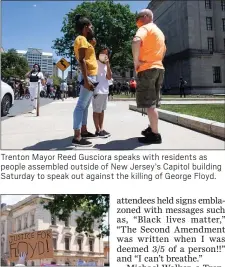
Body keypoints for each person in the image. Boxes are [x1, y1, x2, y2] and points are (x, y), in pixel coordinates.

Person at [132, 9, 166, 144]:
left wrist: (136, 61)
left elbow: (135, 41)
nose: (137, 22)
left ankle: (155, 135)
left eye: (138, 18)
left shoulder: (145, 28)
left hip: (147, 69)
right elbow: (163, 51)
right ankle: (152, 128)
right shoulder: (159, 32)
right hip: (159, 68)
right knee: (152, 102)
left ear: (146, 17)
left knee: (149, 105)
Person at [72, 14, 98, 147]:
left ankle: (83, 130)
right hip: (88, 76)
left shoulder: (84, 40)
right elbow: (82, 60)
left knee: (85, 105)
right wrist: (87, 80)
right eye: (91, 26)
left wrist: (92, 44)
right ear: (86, 27)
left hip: (91, 75)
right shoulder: (81, 38)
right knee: (81, 105)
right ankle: (77, 136)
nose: (92, 28)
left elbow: (87, 56)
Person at [92, 46, 112, 138]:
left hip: (105, 91)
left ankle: (101, 129)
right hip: (97, 91)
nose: (104, 55)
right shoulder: (95, 63)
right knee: (97, 111)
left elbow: (109, 77)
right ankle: (97, 130)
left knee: (102, 111)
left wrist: (108, 65)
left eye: (106, 54)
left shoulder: (106, 65)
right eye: (103, 53)